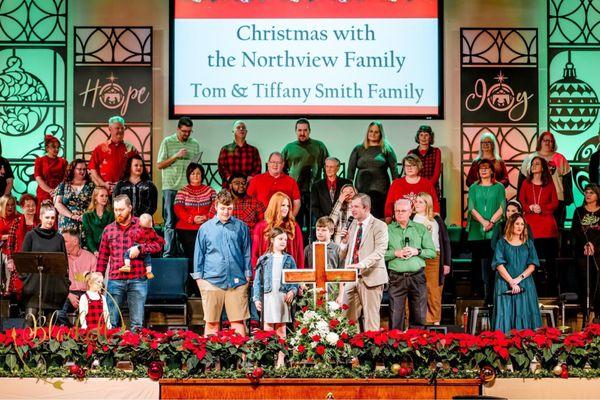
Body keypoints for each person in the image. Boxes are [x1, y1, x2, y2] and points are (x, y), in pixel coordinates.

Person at [96, 195, 163, 330]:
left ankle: (135, 349)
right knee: (111, 322)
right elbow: (103, 257)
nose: (118, 213)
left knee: (137, 324)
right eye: (115, 210)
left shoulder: (143, 224)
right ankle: (110, 350)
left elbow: (159, 244)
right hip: (115, 280)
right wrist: (99, 277)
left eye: (121, 209)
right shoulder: (109, 230)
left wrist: (141, 249)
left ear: (130, 208)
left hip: (138, 279)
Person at [192, 190, 252, 337]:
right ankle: (212, 361)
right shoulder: (205, 228)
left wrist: (248, 275)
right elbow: (199, 255)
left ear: (233, 206)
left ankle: (240, 360)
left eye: (229, 208)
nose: (226, 212)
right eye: (223, 208)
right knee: (211, 323)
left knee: (237, 323)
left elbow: (246, 253)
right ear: (216, 206)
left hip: (237, 282)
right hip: (211, 281)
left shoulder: (241, 227)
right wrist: (200, 280)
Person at [339, 193, 388, 331]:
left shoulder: (379, 225)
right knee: (346, 321)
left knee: (371, 321)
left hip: (370, 277)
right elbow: (342, 254)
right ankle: (349, 350)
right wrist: (343, 242)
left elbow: (380, 251)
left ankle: (371, 351)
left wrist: (362, 264)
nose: (352, 209)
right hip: (351, 278)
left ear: (366, 208)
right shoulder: (351, 224)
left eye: (356, 206)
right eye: (351, 206)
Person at [385, 199, 436, 330]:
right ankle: (395, 346)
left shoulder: (420, 229)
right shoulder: (387, 229)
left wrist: (416, 251)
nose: (400, 213)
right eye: (397, 211)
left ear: (410, 212)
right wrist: (396, 253)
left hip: (417, 276)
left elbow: (432, 252)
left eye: (403, 211)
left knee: (419, 315)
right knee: (395, 315)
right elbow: (380, 253)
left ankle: (416, 346)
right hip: (396, 277)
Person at [253, 227, 299, 367]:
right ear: (272, 240)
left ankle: (280, 360)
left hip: (282, 297)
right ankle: (268, 358)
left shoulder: (289, 259)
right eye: (280, 239)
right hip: (268, 296)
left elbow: (294, 279)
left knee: (281, 329)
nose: (283, 242)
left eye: (285, 239)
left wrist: (292, 291)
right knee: (267, 328)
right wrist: (256, 298)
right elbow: (257, 281)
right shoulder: (264, 259)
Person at [157, 116, 200, 257]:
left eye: (189, 131)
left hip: (187, 188)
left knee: (185, 221)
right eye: (184, 131)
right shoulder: (167, 142)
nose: (186, 134)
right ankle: (168, 253)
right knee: (169, 221)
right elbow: (159, 164)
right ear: (178, 129)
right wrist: (176, 156)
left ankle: (183, 252)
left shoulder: (194, 143)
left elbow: (196, 166)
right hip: (170, 187)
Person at [20, 202, 69, 327]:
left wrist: (65, 283)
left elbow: (64, 263)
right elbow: (23, 260)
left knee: (50, 324)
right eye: (47, 217)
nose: (50, 220)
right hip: (34, 286)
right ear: (41, 217)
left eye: (53, 218)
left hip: (53, 287)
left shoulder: (59, 238)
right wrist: (26, 280)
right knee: (30, 321)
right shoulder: (31, 236)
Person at [491, 213, 542, 333]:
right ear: (510, 225)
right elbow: (499, 264)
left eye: (522, 224)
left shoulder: (528, 243)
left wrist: (518, 280)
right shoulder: (501, 243)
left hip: (525, 283)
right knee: (506, 313)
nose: (520, 227)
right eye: (517, 224)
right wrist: (511, 282)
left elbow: (532, 265)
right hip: (504, 283)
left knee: (525, 312)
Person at [518, 156, 559, 295]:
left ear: (543, 168)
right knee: (530, 262)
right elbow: (521, 200)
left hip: (547, 227)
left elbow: (555, 202)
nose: (534, 166)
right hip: (531, 227)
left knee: (550, 263)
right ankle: (531, 291)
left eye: (537, 164)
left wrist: (542, 208)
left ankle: (551, 293)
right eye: (532, 164)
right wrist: (529, 207)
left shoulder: (549, 183)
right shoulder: (526, 183)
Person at [467, 159, 506, 301]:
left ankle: (493, 292)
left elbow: (503, 207)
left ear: (492, 171)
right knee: (476, 263)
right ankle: (477, 292)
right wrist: (483, 221)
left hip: (494, 229)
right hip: (477, 230)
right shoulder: (473, 187)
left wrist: (491, 222)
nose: (483, 170)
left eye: (486, 168)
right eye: (481, 168)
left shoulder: (499, 187)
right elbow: (471, 207)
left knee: (492, 261)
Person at [174, 163, 216, 295]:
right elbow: (178, 208)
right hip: (186, 229)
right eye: (192, 173)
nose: (196, 176)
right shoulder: (182, 191)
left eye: (198, 173)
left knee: (204, 257)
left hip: (205, 228)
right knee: (191, 257)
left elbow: (215, 205)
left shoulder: (210, 190)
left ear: (202, 175)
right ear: (188, 175)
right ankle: (191, 287)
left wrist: (207, 217)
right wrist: (192, 218)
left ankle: (203, 287)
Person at [282, 118, 329, 233]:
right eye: (299, 130)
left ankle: (311, 248)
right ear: (295, 131)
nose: (302, 133)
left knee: (314, 224)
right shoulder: (289, 148)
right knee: (295, 223)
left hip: (314, 191)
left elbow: (327, 167)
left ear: (309, 131)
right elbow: (282, 170)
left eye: (305, 130)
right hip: (295, 192)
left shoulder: (319, 146)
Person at [519, 131, 573, 227]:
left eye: (551, 141)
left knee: (556, 227)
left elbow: (567, 179)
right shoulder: (530, 158)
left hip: (557, 199)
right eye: (545, 140)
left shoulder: (560, 158)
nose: (548, 143)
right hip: (533, 200)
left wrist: (568, 198)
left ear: (554, 143)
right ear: (540, 142)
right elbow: (522, 180)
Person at [413, 193, 451, 325]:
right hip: (416, 257)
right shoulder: (412, 218)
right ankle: (420, 320)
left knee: (433, 289)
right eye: (416, 201)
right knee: (417, 289)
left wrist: (447, 263)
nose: (416, 204)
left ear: (427, 204)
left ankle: (435, 321)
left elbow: (445, 241)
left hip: (435, 257)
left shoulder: (436, 219)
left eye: (420, 202)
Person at [347, 122, 398, 218]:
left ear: (381, 134)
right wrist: (351, 190)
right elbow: (350, 172)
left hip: (381, 191)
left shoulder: (386, 149)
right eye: (371, 131)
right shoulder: (358, 149)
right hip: (361, 189)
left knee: (378, 218)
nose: (373, 134)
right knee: (362, 216)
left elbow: (394, 172)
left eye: (376, 132)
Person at [252, 192, 305, 270]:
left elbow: (300, 254)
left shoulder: (294, 227)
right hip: (266, 274)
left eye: (288, 206)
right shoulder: (261, 227)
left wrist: (299, 276)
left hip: (289, 274)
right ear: (275, 206)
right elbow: (254, 254)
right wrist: (257, 276)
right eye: (283, 205)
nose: (286, 208)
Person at [571, 183, 600, 319]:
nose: (588, 195)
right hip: (583, 254)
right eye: (586, 192)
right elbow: (575, 232)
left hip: (598, 253)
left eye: (591, 192)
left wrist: (594, 245)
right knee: (584, 284)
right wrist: (586, 244)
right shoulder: (578, 211)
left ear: (597, 195)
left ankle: (597, 315)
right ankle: (586, 315)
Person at [88, 116, 139, 194]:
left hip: (125, 191)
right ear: (110, 129)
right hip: (104, 192)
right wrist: (103, 184)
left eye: (122, 128)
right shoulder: (101, 148)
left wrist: (127, 184)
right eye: (117, 128)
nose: (120, 130)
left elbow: (138, 168)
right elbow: (92, 169)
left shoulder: (131, 148)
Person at [57, 229, 97, 326]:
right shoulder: (61, 258)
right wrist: (69, 295)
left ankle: (79, 333)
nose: (62, 244)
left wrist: (85, 297)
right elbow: (58, 281)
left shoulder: (90, 257)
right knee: (58, 313)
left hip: (87, 293)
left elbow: (95, 282)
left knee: (86, 318)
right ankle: (70, 331)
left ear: (75, 242)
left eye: (65, 241)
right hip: (67, 293)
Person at [384, 154, 439, 222]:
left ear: (418, 166)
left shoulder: (427, 184)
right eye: (407, 165)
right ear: (404, 168)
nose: (409, 168)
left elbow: (435, 204)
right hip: (401, 221)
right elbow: (389, 204)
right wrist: (388, 217)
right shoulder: (396, 183)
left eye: (413, 165)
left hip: (422, 221)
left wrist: (435, 217)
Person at [247, 152, 301, 217]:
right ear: (268, 163)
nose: (275, 165)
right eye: (273, 162)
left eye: (278, 163)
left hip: (283, 222)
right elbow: (248, 202)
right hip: (262, 222)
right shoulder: (256, 180)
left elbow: (297, 203)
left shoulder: (291, 181)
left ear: (283, 164)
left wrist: (290, 219)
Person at [54, 159, 95, 233]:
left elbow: (95, 204)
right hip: (66, 223)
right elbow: (57, 204)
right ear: (73, 170)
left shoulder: (91, 186)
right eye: (79, 169)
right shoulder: (63, 185)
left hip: (85, 221)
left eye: (84, 169)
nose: (82, 172)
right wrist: (72, 216)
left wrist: (86, 216)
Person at [120, 213, 165, 280]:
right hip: (145, 251)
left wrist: (130, 234)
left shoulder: (138, 230)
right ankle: (149, 272)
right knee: (148, 261)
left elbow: (134, 236)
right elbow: (158, 239)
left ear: (140, 223)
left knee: (127, 254)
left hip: (137, 248)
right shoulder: (152, 231)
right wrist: (162, 241)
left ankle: (127, 265)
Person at [218, 120, 262, 188]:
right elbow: (221, 167)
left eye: (243, 127)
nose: (241, 129)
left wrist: (251, 178)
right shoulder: (225, 149)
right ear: (233, 132)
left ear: (246, 132)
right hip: (229, 188)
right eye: (238, 127)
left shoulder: (253, 150)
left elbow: (258, 168)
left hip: (248, 188)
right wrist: (230, 178)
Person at [408, 125, 442, 198]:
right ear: (418, 137)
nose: (423, 138)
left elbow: (436, 174)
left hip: (432, 189)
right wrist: (418, 187)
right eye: (421, 135)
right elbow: (409, 173)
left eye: (426, 135)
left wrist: (427, 187)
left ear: (430, 137)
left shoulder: (436, 151)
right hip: (415, 189)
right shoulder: (411, 153)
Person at [34, 134, 68, 205]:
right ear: (47, 148)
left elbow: (66, 178)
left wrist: (59, 191)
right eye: (54, 147)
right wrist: (49, 190)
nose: (57, 149)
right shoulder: (40, 161)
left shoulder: (63, 162)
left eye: (58, 147)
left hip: (59, 191)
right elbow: (38, 178)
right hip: (44, 190)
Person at [81, 186, 114, 255]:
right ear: (95, 197)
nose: (105, 198)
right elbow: (88, 235)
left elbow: (111, 234)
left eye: (106, 196)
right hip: (92, 249)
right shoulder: (87, 215)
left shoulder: (111, 213)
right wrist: (94, 250)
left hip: (107, 248)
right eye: (102, 196)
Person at [6, 194, 38, 259]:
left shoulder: (40, 222)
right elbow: (10, 243)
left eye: (33, 205)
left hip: (36, 258)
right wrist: (10, 260)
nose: (31, 208)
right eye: (28, 206)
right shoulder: (16, 222)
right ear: (22, 207)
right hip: (19, 258)